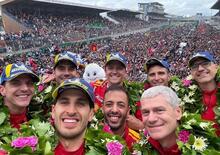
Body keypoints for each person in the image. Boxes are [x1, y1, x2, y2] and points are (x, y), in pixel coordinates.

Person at [92, 52, 144, 131]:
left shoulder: (136, 95)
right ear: (105, 70)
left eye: (119, 68)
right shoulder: (93, 88)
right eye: (110, 68)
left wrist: (140, 125)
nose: (114, 71)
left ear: (126, 71)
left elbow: (145, 126)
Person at [51, 78, 94, 154]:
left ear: (91, 114)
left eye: (80, 104)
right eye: (64, 102)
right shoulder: (28, 147)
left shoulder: (106, 151)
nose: (71, 111)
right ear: (53, 111)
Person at [140, 86, 182, 155]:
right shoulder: (143, 149)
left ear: (178, 112)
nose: (151, 119)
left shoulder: (203, 145)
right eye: (146, 112)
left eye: (159, 110)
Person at [188, 51, 220, 136]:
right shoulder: (186, 99)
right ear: (191, 73)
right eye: (194, 66)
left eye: (205, 63)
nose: (200, 69)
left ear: (216, 67)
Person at [0, 63, 39, 129]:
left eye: (29, 83)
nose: (25, 88)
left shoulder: (42, 113)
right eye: (16, 83)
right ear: (2, 90)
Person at [102, 84, 140, 151]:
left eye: (121, 105)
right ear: (102, 108)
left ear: (128, 111)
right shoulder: (89, 138)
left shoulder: (138, 143)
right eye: (109, 104)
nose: (114, 110)